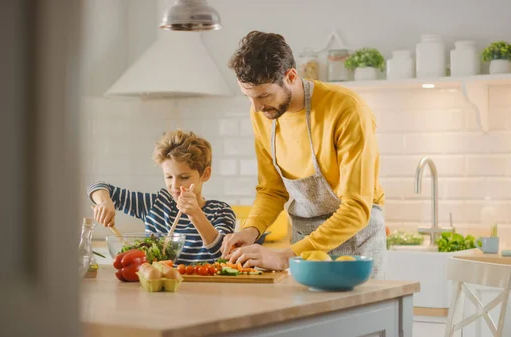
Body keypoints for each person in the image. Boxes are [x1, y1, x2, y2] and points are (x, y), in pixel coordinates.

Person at [221, 31, 386, 279]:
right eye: (249, 97)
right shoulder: (263, 113)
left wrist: (285, 256)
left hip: (355, 247)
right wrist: (251, 230)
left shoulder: (347, 110)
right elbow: (272, 190)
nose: (256, 108)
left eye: (264, 95)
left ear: (291, 76)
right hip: (301, 247)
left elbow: (356, 208)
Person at [88, 130, 236, 265]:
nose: (174, 185)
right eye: (169, 177)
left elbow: (222, 255)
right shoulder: (156, 204)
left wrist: (195, 213)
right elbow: (98, 186)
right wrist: (104, 202)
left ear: (205, 174)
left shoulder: (221, 211)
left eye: (184, 177)